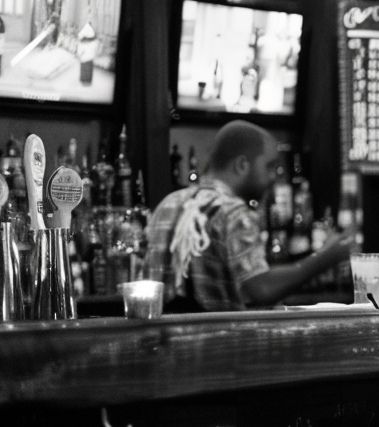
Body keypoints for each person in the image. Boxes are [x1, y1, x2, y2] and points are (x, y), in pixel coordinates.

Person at [145, 120, 354, 311]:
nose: (274, 177)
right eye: (270, 166)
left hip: (160, 345)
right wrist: (328, 256)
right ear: (242, 165)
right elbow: (262, 289)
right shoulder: (233, 211)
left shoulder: (167, 204)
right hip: (214, 346)